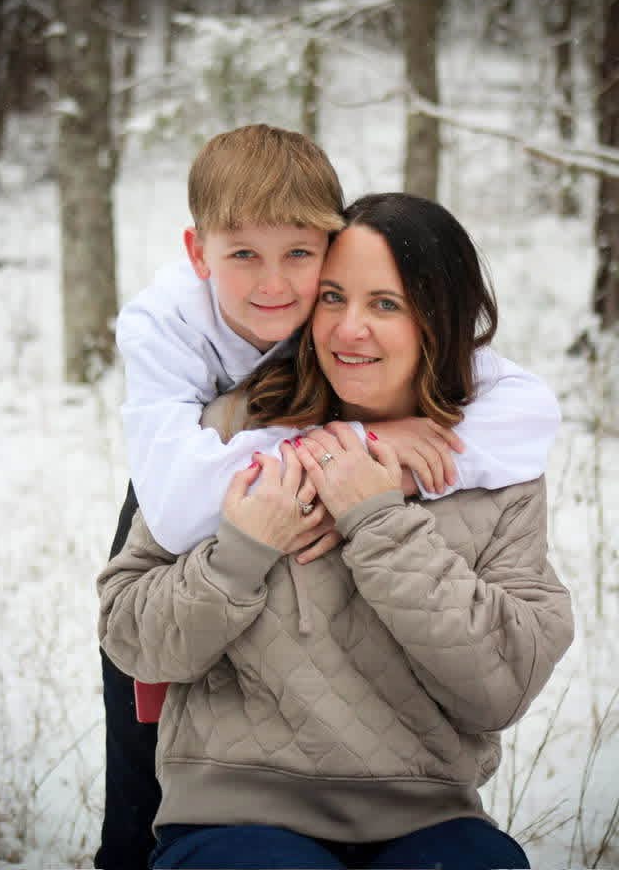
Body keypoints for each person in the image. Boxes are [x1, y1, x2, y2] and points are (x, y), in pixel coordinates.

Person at [96, 125, 561, 870]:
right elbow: (129, 636)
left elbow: (500, 688)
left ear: (438, 318)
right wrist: (245, 546)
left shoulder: (495, 461)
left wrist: (378, 517)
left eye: (386, 304)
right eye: (336, 298)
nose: (348, 328)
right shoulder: (214, 430)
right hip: (235, 812)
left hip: (430, 817)